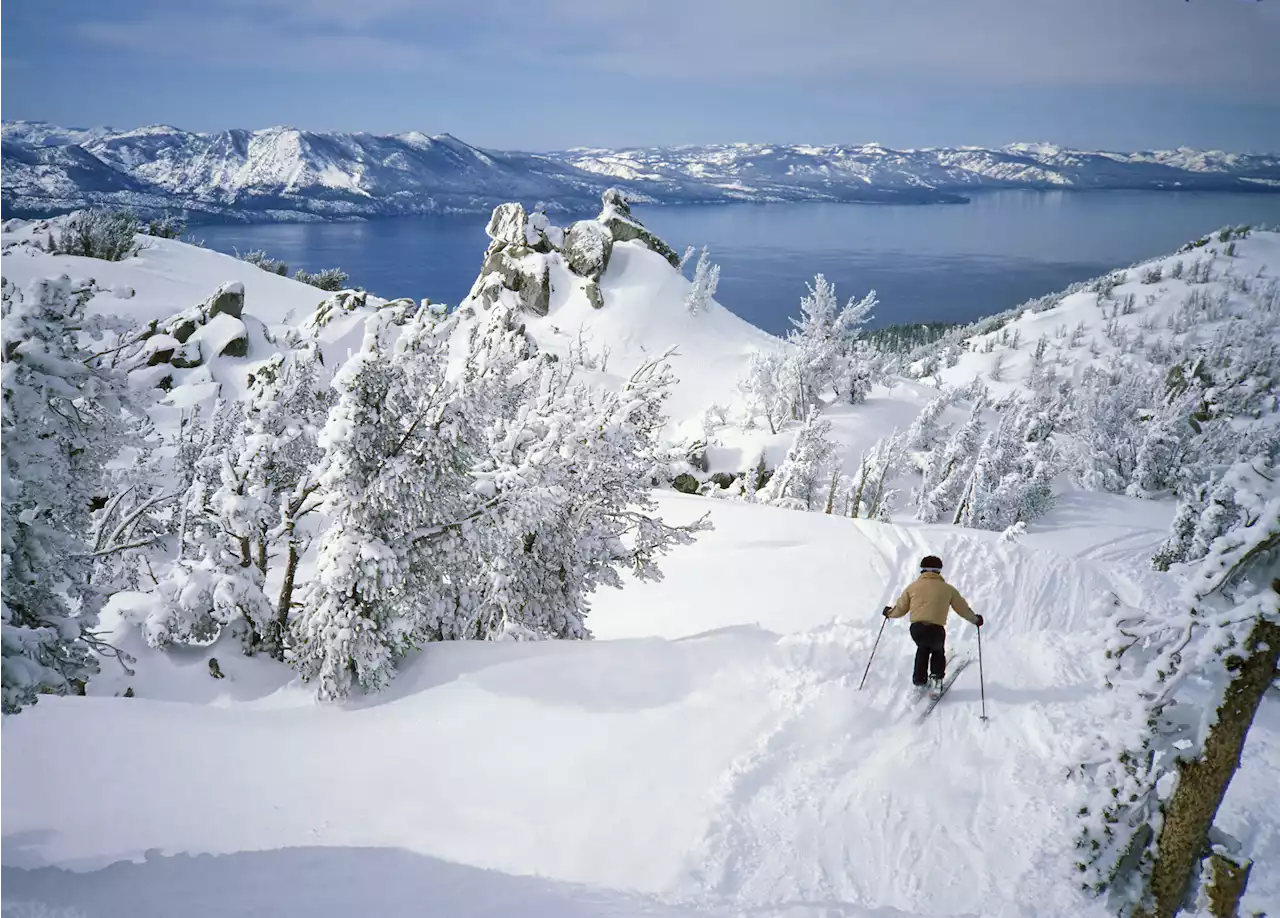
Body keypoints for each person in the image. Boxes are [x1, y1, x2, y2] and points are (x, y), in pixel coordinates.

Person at [882, 554, 983, 695]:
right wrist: (975, 620)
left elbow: (900, 609)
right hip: (936, 629)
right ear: (939, 570)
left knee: (922, 648)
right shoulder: (948, 589)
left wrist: (889, 613)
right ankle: (936, 679)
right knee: (937, 650)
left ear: (922, 570)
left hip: (917, 629)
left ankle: (919, 680)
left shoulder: (912, 587)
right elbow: (962, 609)